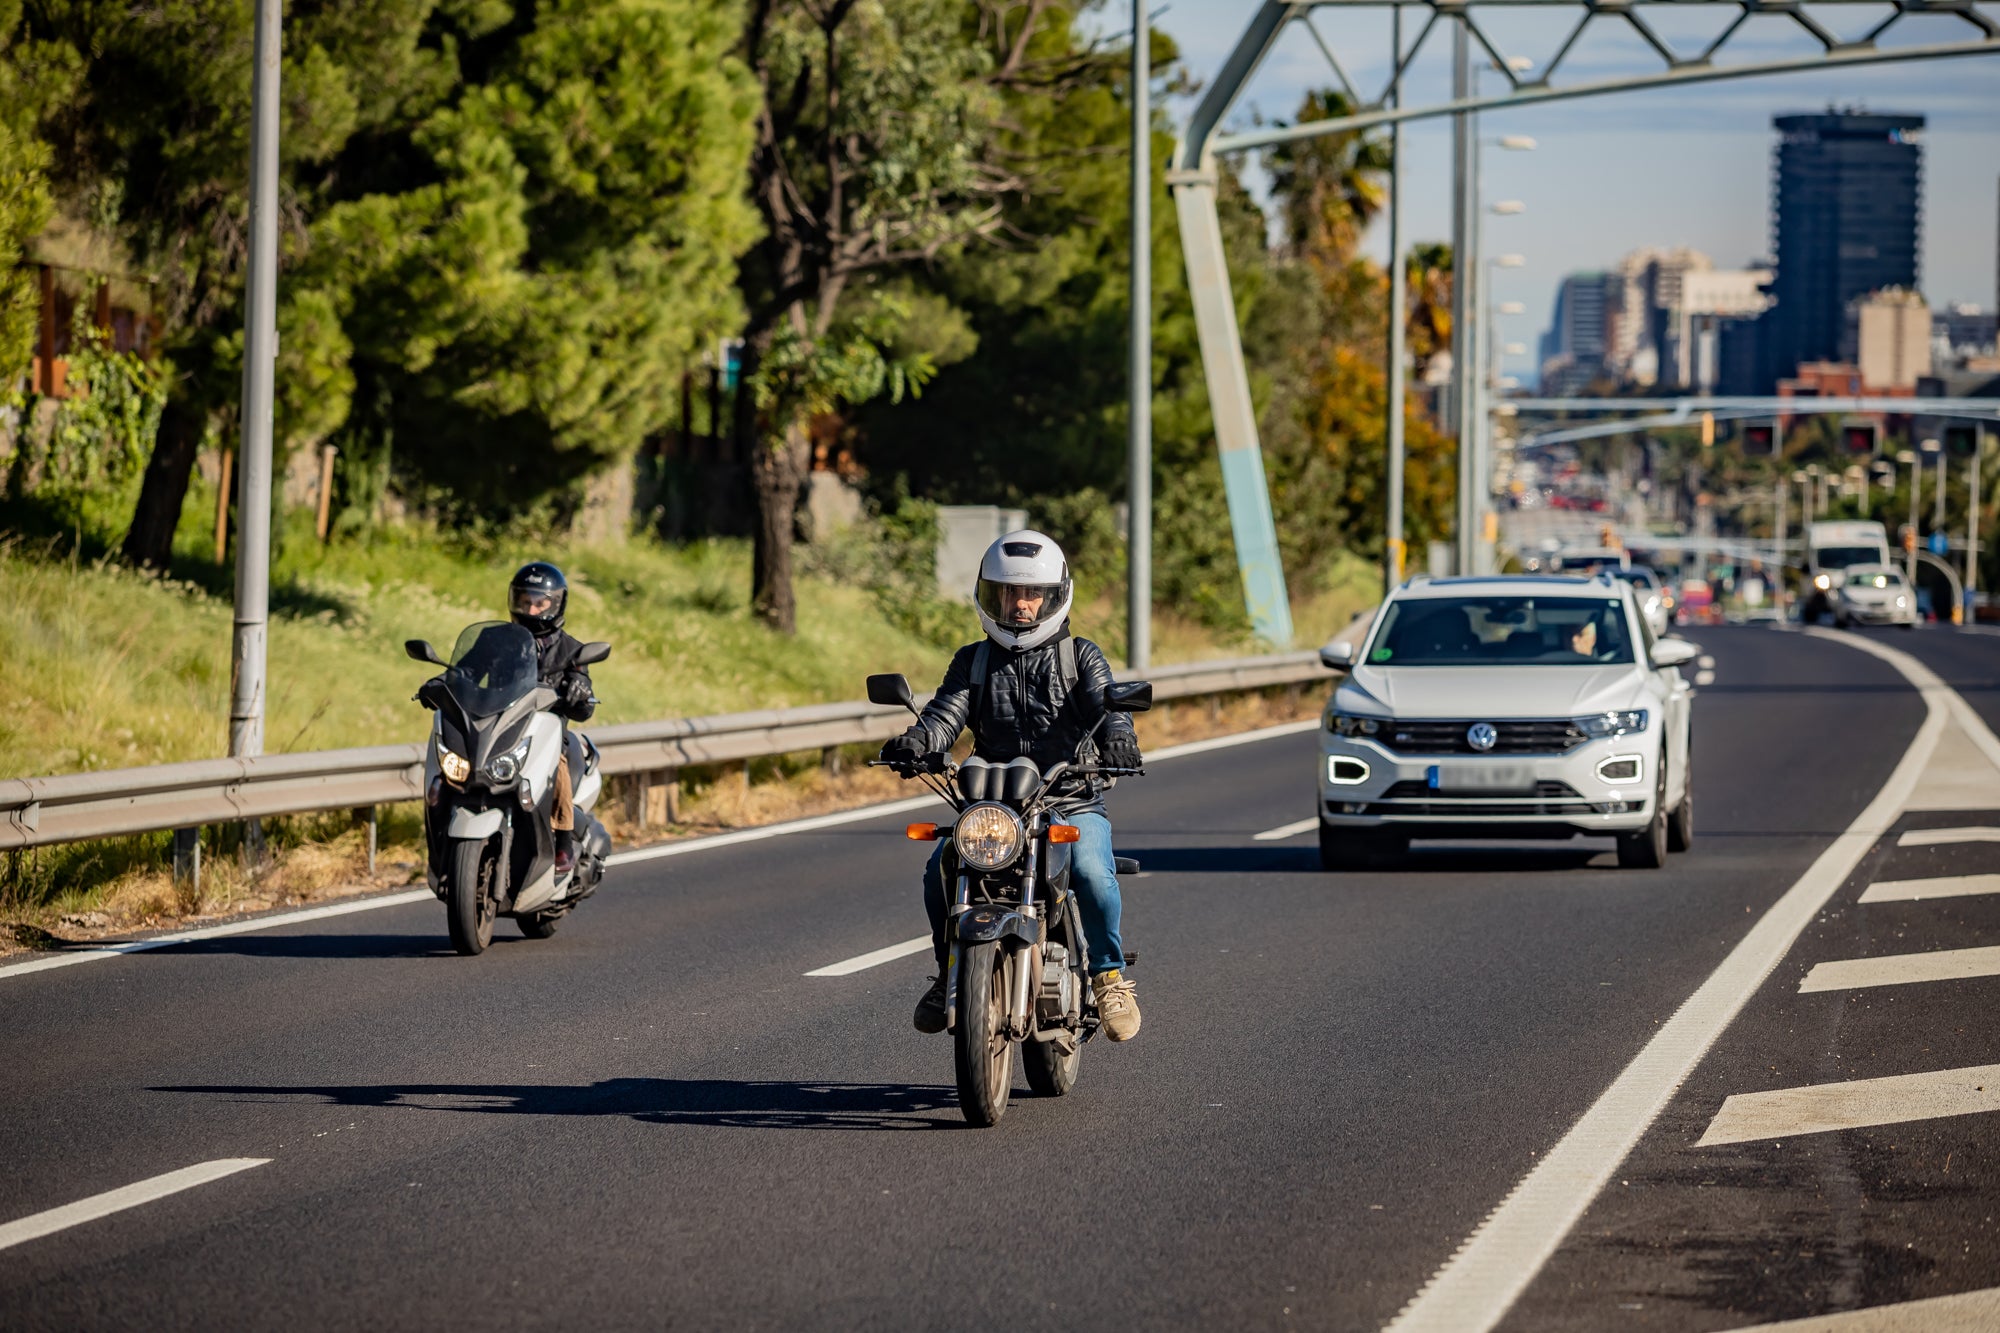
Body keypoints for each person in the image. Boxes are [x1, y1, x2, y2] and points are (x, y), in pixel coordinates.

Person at [878, 531, 1145, 1041]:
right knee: (940, 868)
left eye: (1031, 594)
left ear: (1053, 597)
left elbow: (1108, 709)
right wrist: (918, 740)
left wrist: (1119, 739)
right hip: (996, 806)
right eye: (1008, 593)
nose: (1020, 604)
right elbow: (945, 714)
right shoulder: (973, 660)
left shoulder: (1080, 657)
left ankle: (1108, 977)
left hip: (1069, 798)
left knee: (1092, 872)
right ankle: (950, 973)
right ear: (990, 596)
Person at [508, 562, 596, 874]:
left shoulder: (572, 650)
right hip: (502, 727)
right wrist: (445, 681)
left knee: (556, 762)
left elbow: (585, 707)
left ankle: (563, 840)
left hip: (545, 732)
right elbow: (468, 670)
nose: (531, 610)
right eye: (525, 601)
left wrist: (580, 688)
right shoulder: (499, 642)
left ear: (555, 604)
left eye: (539, 603)